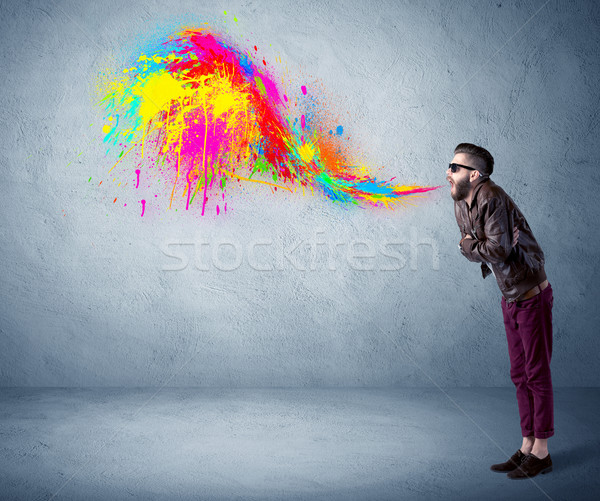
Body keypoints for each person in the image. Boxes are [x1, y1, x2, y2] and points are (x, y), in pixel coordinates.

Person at [447, 143, 554, 480]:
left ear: (475, 174)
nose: (448, 172)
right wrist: (478, 246)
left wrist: (474, 245)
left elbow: (498, 249)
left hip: (530, 294)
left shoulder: (492, 196)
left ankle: (542, 451)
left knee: (536, 374)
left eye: (455, 167)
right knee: (519, 375)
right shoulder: (462, 205)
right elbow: (478, 248)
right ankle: (526, 446)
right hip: (509, 295)